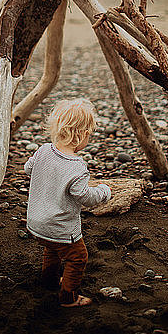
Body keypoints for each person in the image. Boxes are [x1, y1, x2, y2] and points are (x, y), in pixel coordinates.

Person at [24, 98, 111, 307]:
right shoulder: (77, 167)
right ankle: (68, 297)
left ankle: (49, 281)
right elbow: (86, 197)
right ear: (81, 135)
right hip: (61, 228)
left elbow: (28, 169)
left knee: (52, 250)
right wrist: (103, 192)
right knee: (78, 257)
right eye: (89, 134)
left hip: (36, 223)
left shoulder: (43, 149)